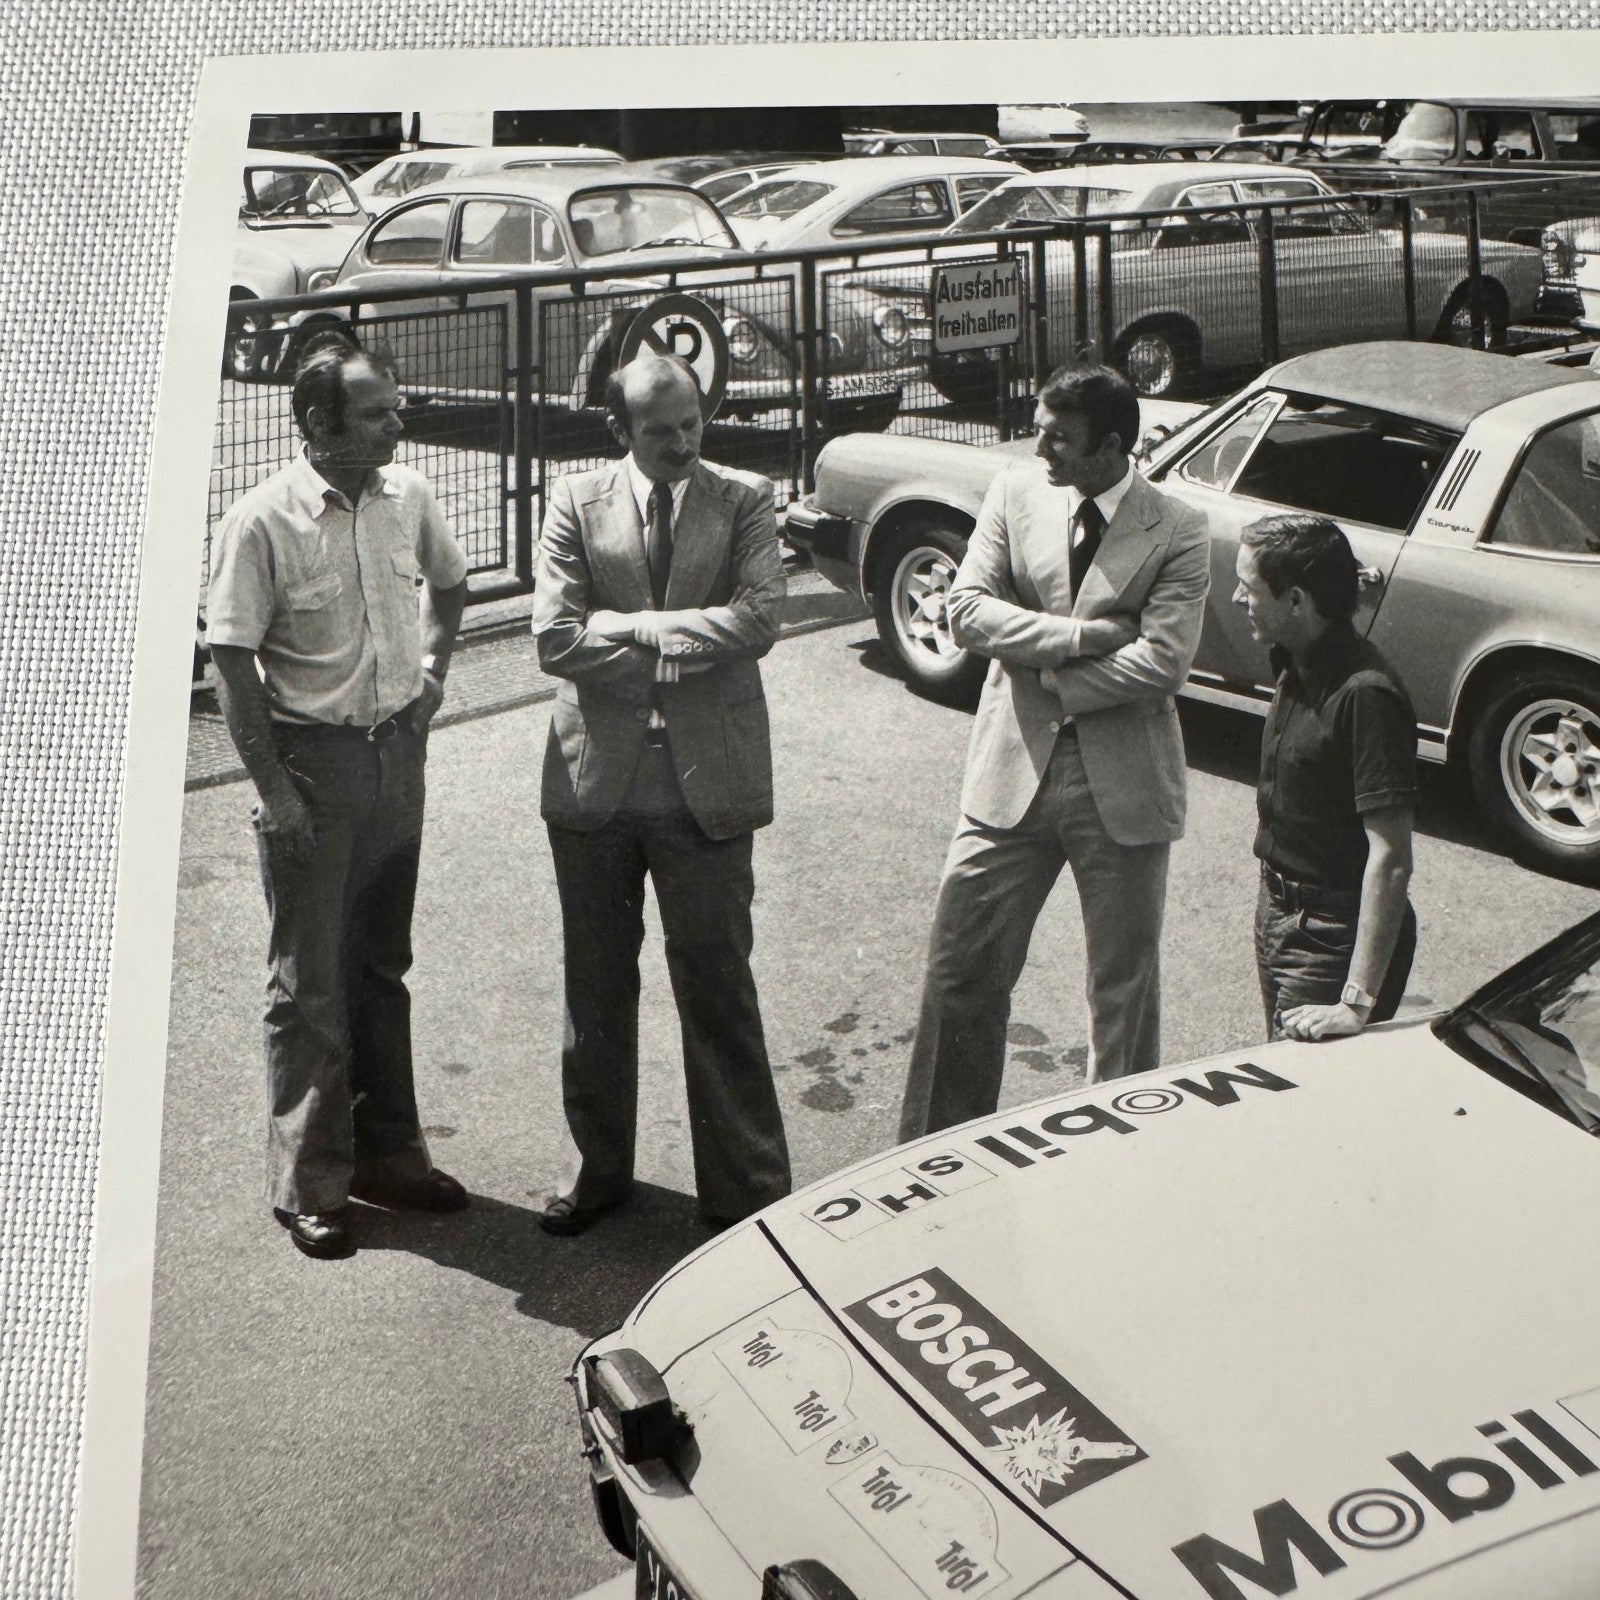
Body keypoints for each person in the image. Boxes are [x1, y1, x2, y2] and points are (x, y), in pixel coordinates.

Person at [208, 335, 470, 1258]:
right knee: (308, 986)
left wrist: (431, 682)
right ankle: (309, 1183)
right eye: (378, 413)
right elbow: (231, 663)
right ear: (319, 425)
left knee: (380, 969)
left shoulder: (411, 498)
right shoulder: (261, 521)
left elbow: (451, 585)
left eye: (395, 408)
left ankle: (388, 1159)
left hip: (398, 759)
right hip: (313, 769)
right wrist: (274, 791)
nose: (400, 423)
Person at [899, 362, 1210, 1139]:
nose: (1041, 449)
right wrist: (1077, 639)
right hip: (1011, 770)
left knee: (1121, 994)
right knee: (960, 971)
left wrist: (1051, 677)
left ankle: (1114, 1161)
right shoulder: (1015, 491)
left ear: (1110, 447)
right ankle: (933, 1152)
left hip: (1124, 783)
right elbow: (966, 609)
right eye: (1040, 428)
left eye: (1059, 438)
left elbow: (1162, 664)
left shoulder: (1177, 527)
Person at [530, 351, 791, 1235]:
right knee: (594, 990)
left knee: (718, 988)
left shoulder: (745, 498)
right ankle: (598, 1171)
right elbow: (555, 638)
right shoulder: (573, 500)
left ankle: (748, 1197)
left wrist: (635, 625)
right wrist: (683, 649)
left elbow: (760, 620)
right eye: (659, 432)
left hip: (705, 785)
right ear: (620, 432)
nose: (682, 444)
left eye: (692, 425)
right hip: (595, 783)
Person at [1233, 513, 1418, 1043]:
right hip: (1278, 910)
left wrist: (1355, 1004)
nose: (1235, 599)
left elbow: (1392, 857)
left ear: (1296, 601)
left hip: (1329, 935)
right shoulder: (1295, 655)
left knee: (1301, 1096)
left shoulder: (1367, 696)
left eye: (1249, 588)